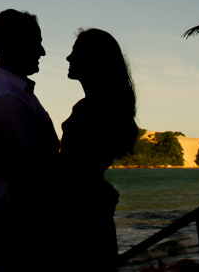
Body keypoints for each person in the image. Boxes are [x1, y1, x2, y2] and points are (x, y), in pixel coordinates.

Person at [0, 9, 60, 271]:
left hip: (24, 236)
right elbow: (34, 175)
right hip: (21, 240)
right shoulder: (8, 100)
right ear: (16, 45)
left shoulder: (16, 94)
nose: (42, 51)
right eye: (36, 42)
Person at [59, 28, 139, 271]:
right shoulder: (104, 109)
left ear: (91, 60)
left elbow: (74, 173)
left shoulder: (90, 112)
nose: (68, 58)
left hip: (83, 227)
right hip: (95, 221)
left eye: (74, 53)